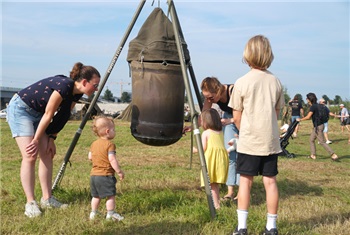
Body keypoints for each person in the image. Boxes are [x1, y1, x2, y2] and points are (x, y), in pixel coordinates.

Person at [6, 62, 101, 218]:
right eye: (95, 85)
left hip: (39, 113)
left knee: (47, 153)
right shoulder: (63, 86)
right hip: (22, 109)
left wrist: (51, 138)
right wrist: (36, 139)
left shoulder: (77, 93)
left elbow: (63, 116)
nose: (96, 89)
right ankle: (30, 203)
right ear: (84, 82)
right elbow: (49, 114)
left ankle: (47, 199)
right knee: (30, 155)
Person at [229, 35, 284, 235]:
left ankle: (242, 227)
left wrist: (246, 133)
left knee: (245, 181)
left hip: (249, 141)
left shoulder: (241, 82)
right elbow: (276, 113)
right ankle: (271, 227)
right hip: (270, 140)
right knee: (270, 182)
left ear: (247, 55)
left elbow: (236, 117)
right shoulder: (276, 82)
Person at [199, 77, 240, 202]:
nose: (209, 100)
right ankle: (230, 191)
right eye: (206, 97)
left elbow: (248, 112)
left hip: (244, 119)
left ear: (217, 90)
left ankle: (242, 191)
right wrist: (193, 126)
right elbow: (204, 115)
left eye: (211, 97)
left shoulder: (234, 91)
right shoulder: (210, 98)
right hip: (229, 119)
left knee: (243, 155)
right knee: (230, 154)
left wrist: (231, 120)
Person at [88, 116, 125, 221]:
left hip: (94, 175)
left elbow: (90, 157)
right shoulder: (110, 144)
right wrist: (119, 171)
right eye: (114, 130)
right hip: (105, 175)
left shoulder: (94, 144)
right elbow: (112, 159)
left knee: (96, 196)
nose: (115, 132)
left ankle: (93, 213)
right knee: (111, 196)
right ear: (107, 131)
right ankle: (110, 214)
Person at [199, 109, 229, 209]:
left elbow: (203, 148)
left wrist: (195, 149)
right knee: (215, 184)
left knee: (211, 183)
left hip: (211, 160)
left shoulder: (206, 133)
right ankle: (217, 201)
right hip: (220, 160)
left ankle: (216, 205)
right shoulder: (220, 132)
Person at [297, 93, 339, 161]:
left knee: (322, 142)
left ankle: (333, 154)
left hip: (318, 126)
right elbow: (329, 113)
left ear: (309, 99)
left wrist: (300, 119)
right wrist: (335, 115)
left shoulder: (313, 107)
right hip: (318, 126)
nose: (306, 100)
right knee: (311, 140)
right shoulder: (320, 105)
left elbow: (308, 117)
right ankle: (313, 155)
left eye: (307, 98)